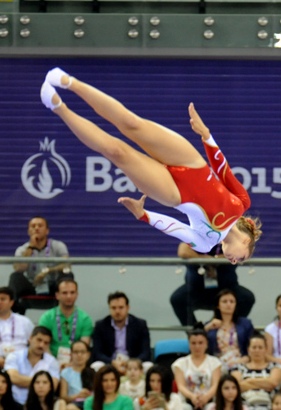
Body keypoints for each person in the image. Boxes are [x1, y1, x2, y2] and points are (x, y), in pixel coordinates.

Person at [41, 69, 261, 264]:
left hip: (175, 194)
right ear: (246, 240)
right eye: (242, 258)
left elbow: (175, 227)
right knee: (132, 123)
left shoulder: (205, 245)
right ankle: (69, 81)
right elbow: (224, 171)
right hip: (193, 163)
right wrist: (207, 136)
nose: (234, 262)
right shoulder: (243, 203)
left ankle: (58, 107)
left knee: (117, 152)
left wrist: (144, 215)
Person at [170, 243, 256, 327]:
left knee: (247, 298)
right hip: (196, 290)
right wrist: (204, 260)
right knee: (177, 299)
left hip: (227, 290)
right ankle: (196, 334)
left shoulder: (230, 238)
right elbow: (183, 250)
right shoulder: (196, 237)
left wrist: (214, 260)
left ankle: (222, 329)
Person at [8, 216, 72, 315]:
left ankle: (67, 311)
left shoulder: (58, 245)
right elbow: (19, 269)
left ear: (47, 231)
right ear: (29, 231)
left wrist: (46, 271)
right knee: (15, 277)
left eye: (40, 226)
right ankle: (13, 315)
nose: (36, 228)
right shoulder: (22, 249)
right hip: (32, 286)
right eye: (33, 226)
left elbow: (67, 265)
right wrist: (31, 247)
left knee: (67, 275)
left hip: (53, 286)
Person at [91, 291, 151, 375]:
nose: (117, 311)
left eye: (121, 307)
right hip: (110, 363)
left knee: (148, 366)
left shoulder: (140, 324)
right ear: (109, 308)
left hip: (133, 364)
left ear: (127, 307)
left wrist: (131, 363)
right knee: (95, 366)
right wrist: (112, 362)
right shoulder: (101, 325)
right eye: (114, 308)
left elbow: (146, 352)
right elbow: (97, 353)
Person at [37, 279, 93, 368]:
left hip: (77, 364)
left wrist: (72, 364)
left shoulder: (85, 319)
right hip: (49, 362)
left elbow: (83, 348)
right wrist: (54, 364)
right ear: (57, 295)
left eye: (72, 292)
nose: (69, 296)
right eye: (64, 293)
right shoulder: (47, 317)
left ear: (77, 295)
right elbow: (43, 345)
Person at [172, 329, 222, 410]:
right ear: (189, 344)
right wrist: (192, 397)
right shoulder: (180, 363)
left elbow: (215, 386)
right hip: (186, 401)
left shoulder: (215, 363)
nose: (197, 346)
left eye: (200, 343)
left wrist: (205, 398)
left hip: (209, 399)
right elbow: (181, 386)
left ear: (206, 344)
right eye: (193, 343)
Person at [4, 326, 59, 406]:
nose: (41, 345)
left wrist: (22, 380)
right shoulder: (14, 356)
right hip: (14, 403)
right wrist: (43, 383)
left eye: (46, 343)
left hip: (40, 406)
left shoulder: (52, 361)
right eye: (39, 340)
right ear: (31, 338)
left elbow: (53, 386)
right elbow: (12, 378)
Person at [231, 332, 281, 410]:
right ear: (249, 350)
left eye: (260, 347)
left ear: (266, 350)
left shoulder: (275, 367)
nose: (257, 350)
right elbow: (236, 387)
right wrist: (264, 383)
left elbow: (273, 383)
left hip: (268, 405)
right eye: (254, 347)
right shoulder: (239, 368)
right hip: (244, 405)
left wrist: (248, 381)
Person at [205, 289, 254, 371]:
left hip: (240, 362)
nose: (228, 304)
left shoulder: (245, 324)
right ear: (218, 305)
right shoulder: (210, 325)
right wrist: (208, 327)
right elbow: (197, 339)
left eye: (232, 302)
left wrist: (246, 358)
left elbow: (252, 345)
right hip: (217, 364)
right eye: (224, 301)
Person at [58, 339, 92, 410]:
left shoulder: (94, 372)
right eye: (76, 352)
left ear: (88, 355)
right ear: (71, 354)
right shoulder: (66, 373)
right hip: (75, 403)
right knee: (71, 409)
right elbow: (63, 397)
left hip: (91, 403)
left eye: (82, 352)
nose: (79, 355)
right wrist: (78, 396)